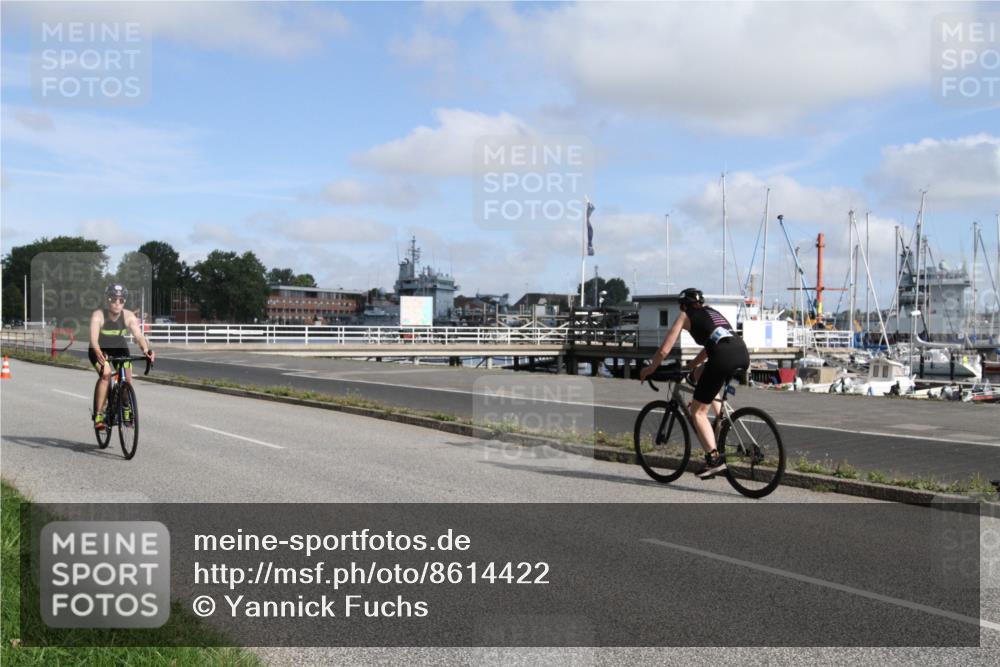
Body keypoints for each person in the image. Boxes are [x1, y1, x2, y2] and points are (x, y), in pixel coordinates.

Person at [638, 288, 750, 479]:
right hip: (741, 353)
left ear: (683, 305)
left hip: (722, 358)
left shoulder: (684, 316)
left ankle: (714, 460)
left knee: (697, 412)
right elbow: (711, 346)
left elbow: (664, 351)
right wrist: (691, 366)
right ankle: (720, 417)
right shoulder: (713, 313)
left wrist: (649, 369)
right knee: (699, 374)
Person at [89, 284, 155, 430]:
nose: (117, 303)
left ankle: (125, 408)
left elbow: (138, 336)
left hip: (119, 348)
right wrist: (99, 353)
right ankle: (99, 415)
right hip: (99, 348)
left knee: (126, 379)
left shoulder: (129, 316)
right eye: (113, 299)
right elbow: (93, 340)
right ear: (107, 300)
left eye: (121, 300)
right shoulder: (98, 315)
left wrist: (146, 349)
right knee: (106, 374)